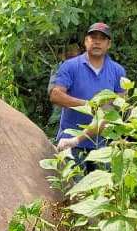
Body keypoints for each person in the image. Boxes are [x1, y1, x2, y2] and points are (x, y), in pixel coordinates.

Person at [49, 22, 127, 171]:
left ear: (108, 44)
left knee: (102, 191)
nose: (97, 41)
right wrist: (88, 106)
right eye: (93, 37)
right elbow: (55, 95)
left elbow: (117, 108)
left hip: (102, 145)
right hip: (69, 142)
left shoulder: (118, 71)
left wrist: (105, 109)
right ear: (86, 41)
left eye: (102, 38)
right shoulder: (70, 66)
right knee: (71, 190)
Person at [46, 42, 81, 129]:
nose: (73, 53)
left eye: (75, 51)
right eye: (70, 51)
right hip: (60, 116)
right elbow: (51, 91)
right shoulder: (58, 67)